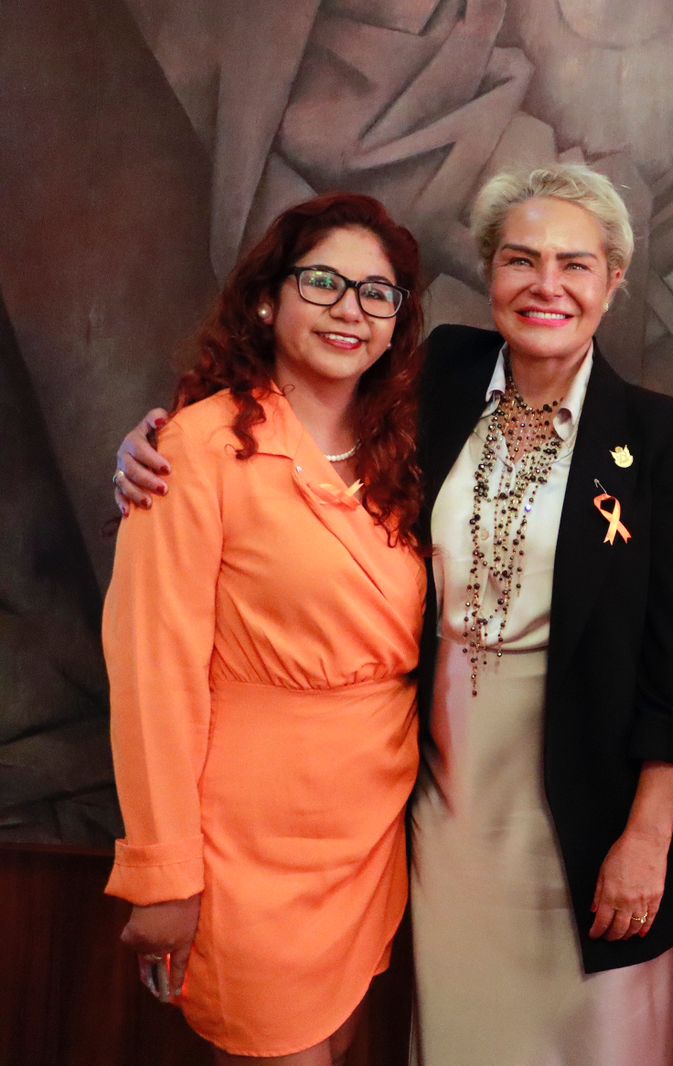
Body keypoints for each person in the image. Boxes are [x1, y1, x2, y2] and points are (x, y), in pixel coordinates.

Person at [113, 164, 673, 1065]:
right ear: (487, 274)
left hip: (593, 794)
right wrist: (150, 449)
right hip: (437, 793)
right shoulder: (433, 380)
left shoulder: (665, 436)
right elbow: (280, 431)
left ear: (613, 283)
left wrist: (648, 836)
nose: (547, 285)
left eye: (575, 265)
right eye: (520, 259)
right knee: (464, 1028)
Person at [103, 193, 428, 1064]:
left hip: (371, 829)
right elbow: (152, 671)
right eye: (322, 283)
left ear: (397, 322)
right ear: (265, 300)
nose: (350, 309)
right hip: (245, 845)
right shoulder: (194, 450)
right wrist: (164, 872)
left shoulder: (406, 447)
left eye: (376, 292)